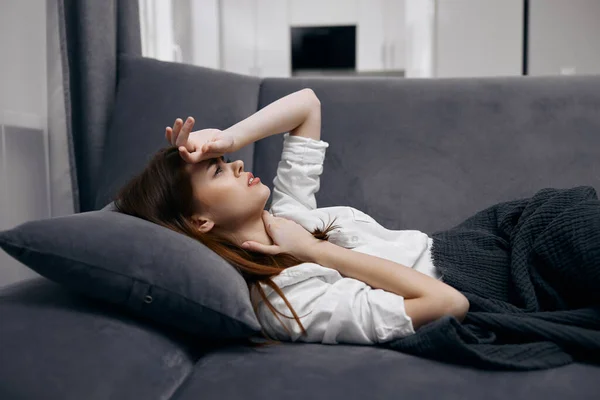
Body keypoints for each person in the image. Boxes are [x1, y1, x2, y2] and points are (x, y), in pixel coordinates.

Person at [113, 88, 469, 347]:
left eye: (225, 160)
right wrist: (317, 251)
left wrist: (225, 138)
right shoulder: (286, 299)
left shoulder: (287, 214)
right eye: (217, 171)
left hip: (479, 241)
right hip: (475, 277)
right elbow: (449, 303)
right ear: (198, 221)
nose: (237, 162)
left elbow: (307, 105)